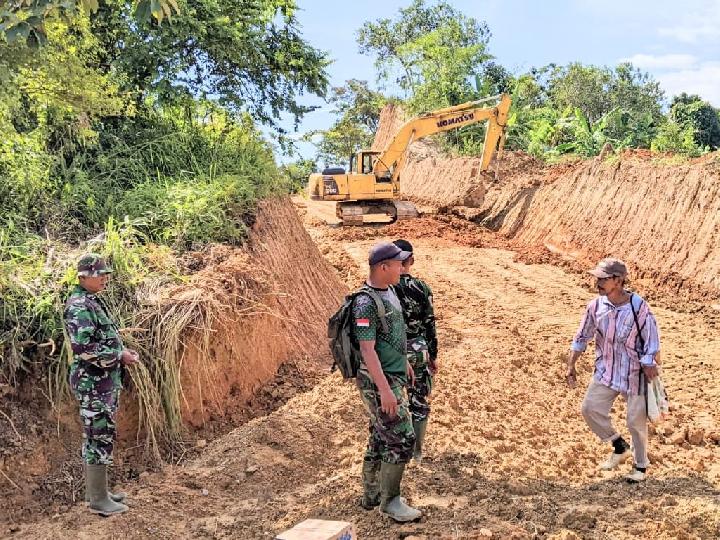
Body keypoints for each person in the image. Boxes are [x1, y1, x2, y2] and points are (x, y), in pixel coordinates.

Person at [566, 258, 660, 483]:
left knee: (635, 421)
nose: (597, 282)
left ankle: (640, 466)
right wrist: (571, 364)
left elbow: (652, 340)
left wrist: (649, 364)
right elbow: (582, 336)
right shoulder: (596, 306)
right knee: (590, 409)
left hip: (634, 373)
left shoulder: (639, 307)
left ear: (618, 281)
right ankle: (619, 446)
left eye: (602, 278)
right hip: (606, 369)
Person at [64, 253, 140, 515]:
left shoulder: (91, 301)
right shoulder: (79, 305)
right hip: (93, 384)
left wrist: (120, 351)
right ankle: (98, 501)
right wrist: (119, 356)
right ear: (83, 277)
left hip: (102, 383)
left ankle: (98, 492)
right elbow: (84, 348)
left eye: (106, 274)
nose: (104, 278)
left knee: (101, 433)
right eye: (99, 274)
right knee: (98, 435)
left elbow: (101, 340)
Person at [353, 241, 422, 522]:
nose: (403, 268)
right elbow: (368, 351)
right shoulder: (365, 303)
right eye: (397, 264)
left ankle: (371, 495)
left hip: (393, 375)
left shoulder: (390, 291)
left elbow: (393, 331)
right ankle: (390, 501)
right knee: (402, 437)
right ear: (383, 267)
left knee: (380, 436)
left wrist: (403, 360)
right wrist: (385, 391)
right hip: (378, 382)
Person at [392, 239, 438, 464]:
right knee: (419, 401)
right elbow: (430, 324)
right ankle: (417, 451)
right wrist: (433, 355)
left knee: (393, 401)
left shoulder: (385, 287)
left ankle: (396, 448)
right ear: (411, 261)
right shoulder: (422, 288)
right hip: (418, 350)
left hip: (392, 352)